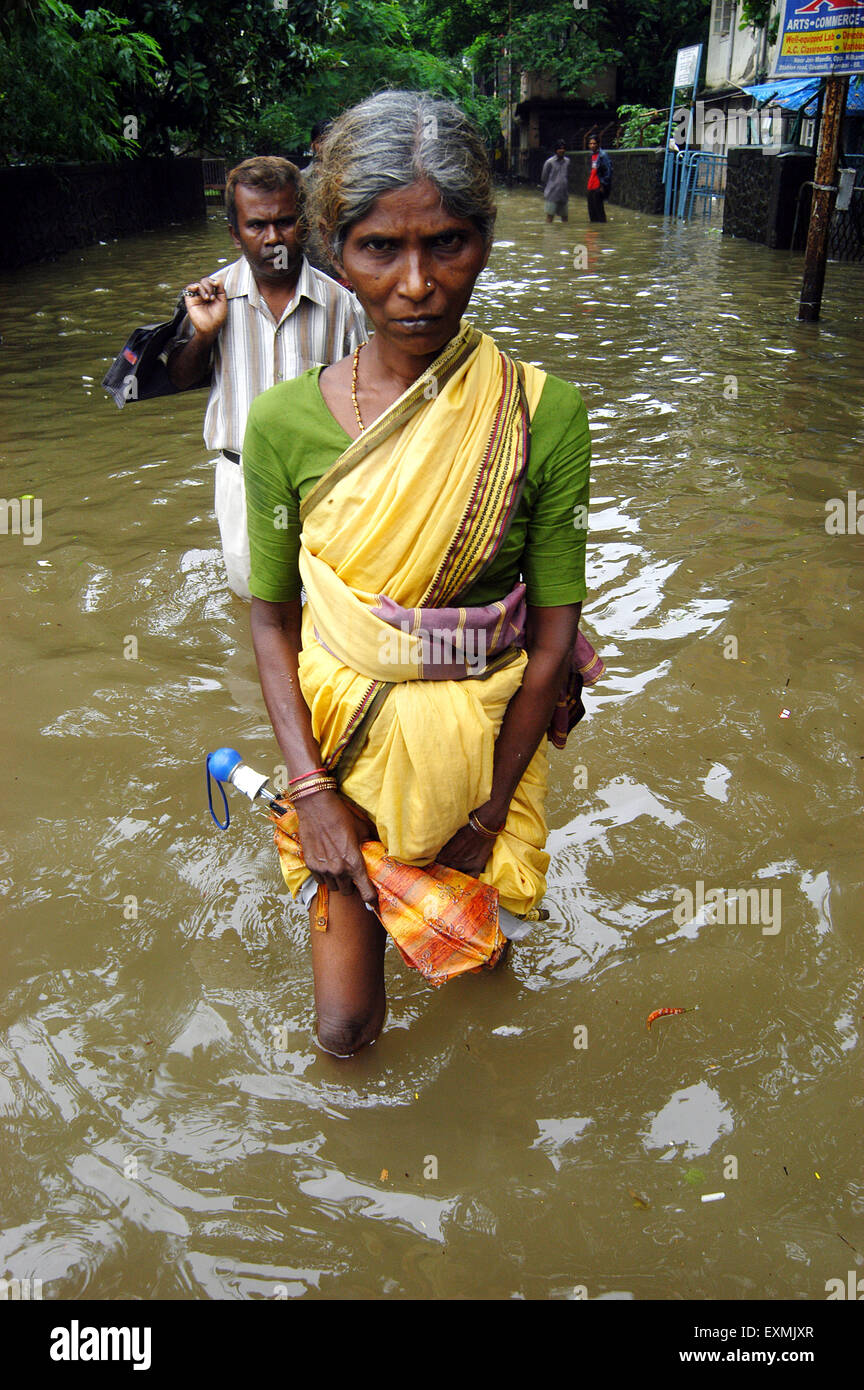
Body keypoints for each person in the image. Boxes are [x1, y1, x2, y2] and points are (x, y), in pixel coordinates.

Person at [242, 92, 595, 1056]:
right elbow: (272, 619)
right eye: (378, 249)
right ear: (333, 249)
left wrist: (486, 817)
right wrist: (311, 791)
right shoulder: (281, 424)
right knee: (347, 1028)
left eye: (448, 244)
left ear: (484, 240)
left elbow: (557, 632)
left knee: (480, 989)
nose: (417, 284)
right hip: (340, 755)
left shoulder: (542, 413)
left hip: (489, 748)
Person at [166, 156, 366, 598]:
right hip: (242, 478)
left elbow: (363, 398)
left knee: (329, 601)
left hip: (324, 481)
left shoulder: (340, 304)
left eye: (285, 222)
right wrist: (204, 334)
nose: (273, 237)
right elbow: (180, 378)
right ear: (235, 233)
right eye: (257, 225)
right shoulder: (208, 297)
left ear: (306, 225)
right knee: (254, 598)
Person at [541, 140, 570, 223]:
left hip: (563, 194)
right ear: (555, 150)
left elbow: (568, 175)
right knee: (550, 217)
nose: (562, 150)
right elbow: (544, 177)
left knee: (565, 218)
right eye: (559, 149)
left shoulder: (567, 161)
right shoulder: (549, 162)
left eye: (563, 148)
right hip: (552, 194)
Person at [586, 136, 612, 223]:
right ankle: (594, 232)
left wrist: (603, 185)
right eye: (590, 143)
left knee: (599, 211)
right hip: (591, 186)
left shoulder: (603, 156)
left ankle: (601, 232)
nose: (592, 145)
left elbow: (608, 171)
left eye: (594, 143)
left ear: (598, 144)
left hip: (598, 186)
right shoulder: (591, 156)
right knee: (592, 212)